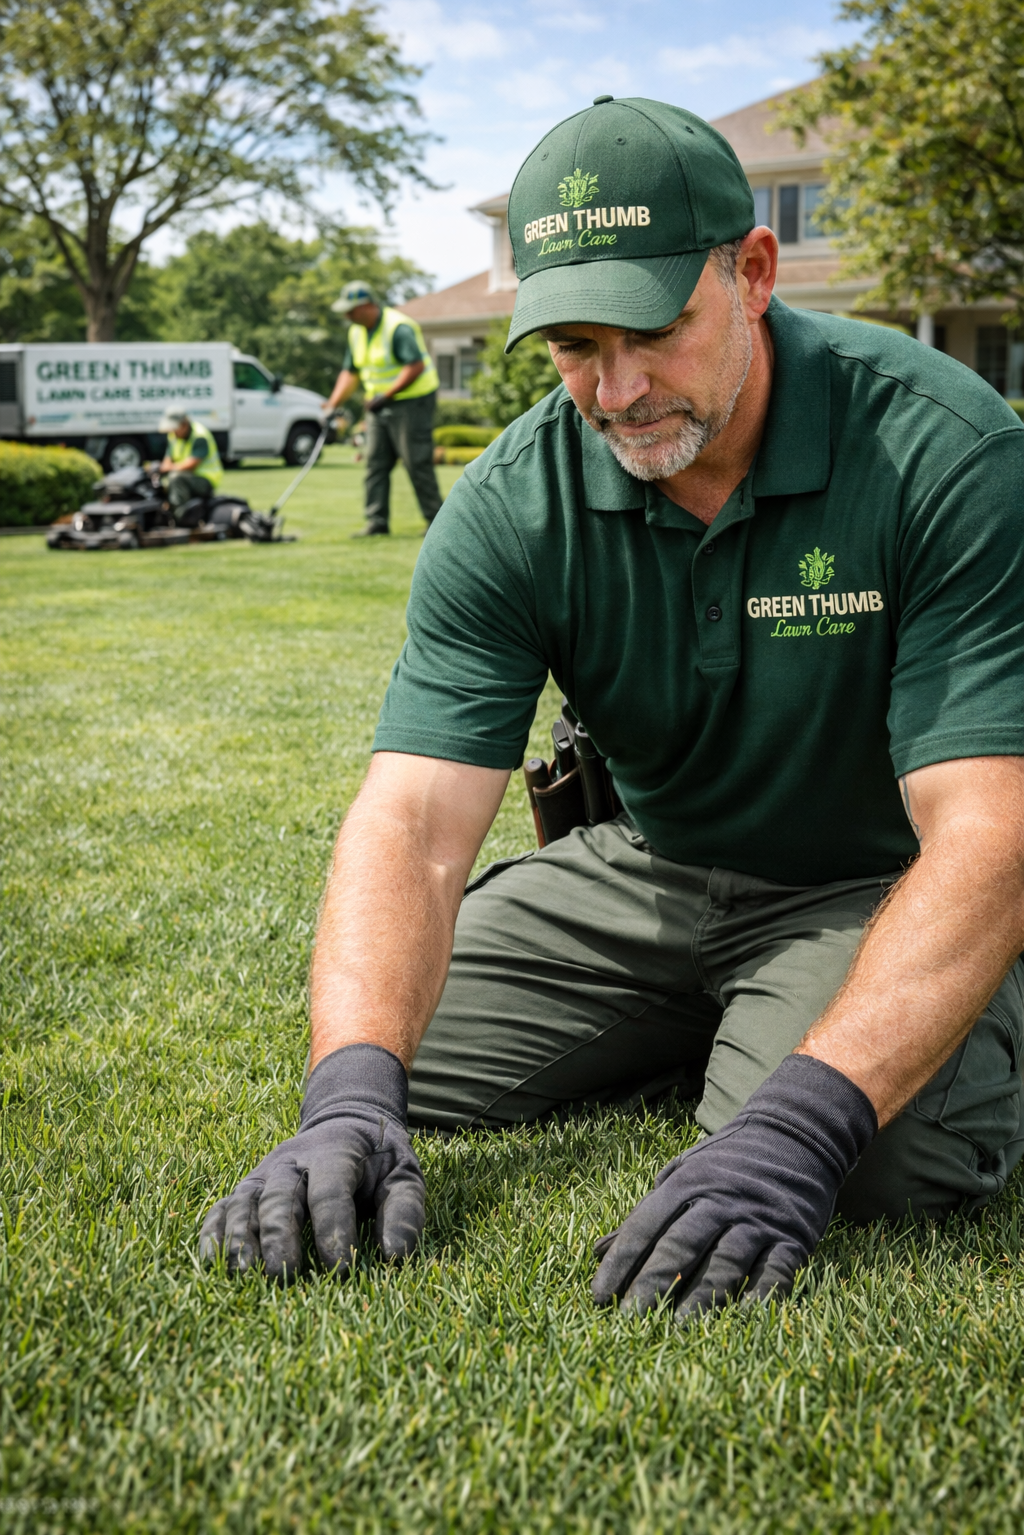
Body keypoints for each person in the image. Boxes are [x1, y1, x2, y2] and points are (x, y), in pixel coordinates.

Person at [201, 98, 1024, 1321]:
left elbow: (991, 830)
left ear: (751, 274)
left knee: (877, 1164)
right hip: (648, 870)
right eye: (575, 344)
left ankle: (827, 1035)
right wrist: (348, 1100)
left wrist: (797, 1127)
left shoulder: (943, 450)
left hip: (867, 882)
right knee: (393, 1052)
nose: (619, 389)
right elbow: (413, 823)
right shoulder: (511, 501)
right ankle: (735, 1026)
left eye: (656, 330)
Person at [323, 281, 442, 536]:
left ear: (367, 306)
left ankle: (437, 522)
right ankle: (377, 522)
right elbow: (350, 372)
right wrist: (332, 405)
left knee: (416, 462)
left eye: (351, 310)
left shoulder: (397, 327)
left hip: (413, 401)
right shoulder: (356, 332)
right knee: (375, 462)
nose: (347, 316)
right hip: (378, 405)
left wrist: (386, 394)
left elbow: (415, 366)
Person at [158, 408, 223, 518]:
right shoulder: (173, 435)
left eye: (175, 428)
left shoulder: (200, 436)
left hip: (205, 479)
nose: (173, 431)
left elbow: (191, 465)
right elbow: (167, 460)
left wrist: (169, 468)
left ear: (184, 424)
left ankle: (180, 516)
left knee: (176, 478)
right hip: (186, 476)